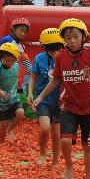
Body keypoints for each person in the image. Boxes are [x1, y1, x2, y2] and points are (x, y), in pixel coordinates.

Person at [32, 18, 90, 179]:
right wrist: (40, 97)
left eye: (76, 36)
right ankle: (69, 165)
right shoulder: (61, 57)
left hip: (88, 108)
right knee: (64, 141)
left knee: (88, 146)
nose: (72, 40)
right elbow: (56, 80)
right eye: (68, 37)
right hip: (69, 106)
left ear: (83, 37)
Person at [28, 28, 64, 166]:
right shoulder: (39, 58)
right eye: (50, 47)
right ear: (44, 46)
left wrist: (59, 61)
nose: (53, 50)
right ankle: (42, 154)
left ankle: (55, 160)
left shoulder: (65, 58)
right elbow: (33, 78)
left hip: (60, 101)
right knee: (45, 128)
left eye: (56, 47)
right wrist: (30, 92)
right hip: (43, 100)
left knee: (56, 133)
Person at [0, 43, 25, 142]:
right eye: (6, 60)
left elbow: (16, 78)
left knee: (20, 113)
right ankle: (1, 141)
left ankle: (11, 129)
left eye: (12, 60)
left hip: (14, 98)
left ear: (15, 59)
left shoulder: (16, 66)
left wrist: (19, 88)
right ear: (1, 58)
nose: (9, 62)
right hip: (1, 100)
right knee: (3, 125)